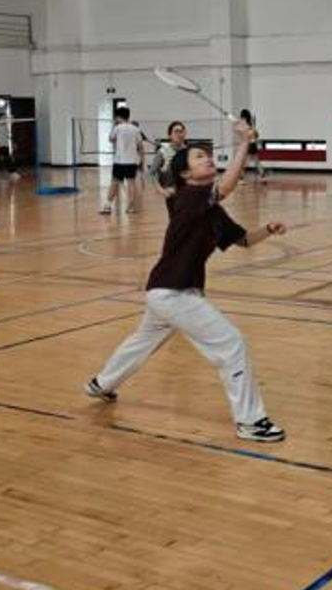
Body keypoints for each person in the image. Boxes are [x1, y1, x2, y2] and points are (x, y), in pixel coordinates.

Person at [84, 119, 288, 443]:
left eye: (207, 155)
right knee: (232, 343)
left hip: (166, 291)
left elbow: (244, 240)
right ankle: (251, 422)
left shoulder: (212, 210)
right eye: (198, 157)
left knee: (141, 342)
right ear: (185, 174)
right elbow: (227, 186)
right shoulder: (189, 197)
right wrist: (244, 143)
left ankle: (102, 383)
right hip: (174, 293)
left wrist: (268, 229)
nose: (207, 158)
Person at [102, 106, 144, 216]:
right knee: (131, 183)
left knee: (114, 182)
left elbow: (111, 139)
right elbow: (140, 146)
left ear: (118, 116)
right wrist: (141, 161)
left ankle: (107, 206)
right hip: (132, 161)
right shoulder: (136, 129)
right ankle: (130, 207)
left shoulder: (117, 128)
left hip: (119, 162)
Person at [155, 120, 188, 204]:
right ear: (169, 135)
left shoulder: (190, 151)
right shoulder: (162, 152)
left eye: (181, 131)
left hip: (188, 193)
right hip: (171, 195)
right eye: (176, 131)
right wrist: (160, 189)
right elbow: (152, 173)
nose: (179, 134)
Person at [239, 109, 267, 182]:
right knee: (257, 162)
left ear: (243, 117)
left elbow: (256, 135)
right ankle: (263, 177)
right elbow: (256, 135)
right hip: (252, 145)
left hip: (248, 145)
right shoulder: (250, 124)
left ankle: (241, 179)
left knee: (243, 163)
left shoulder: (245, 125)